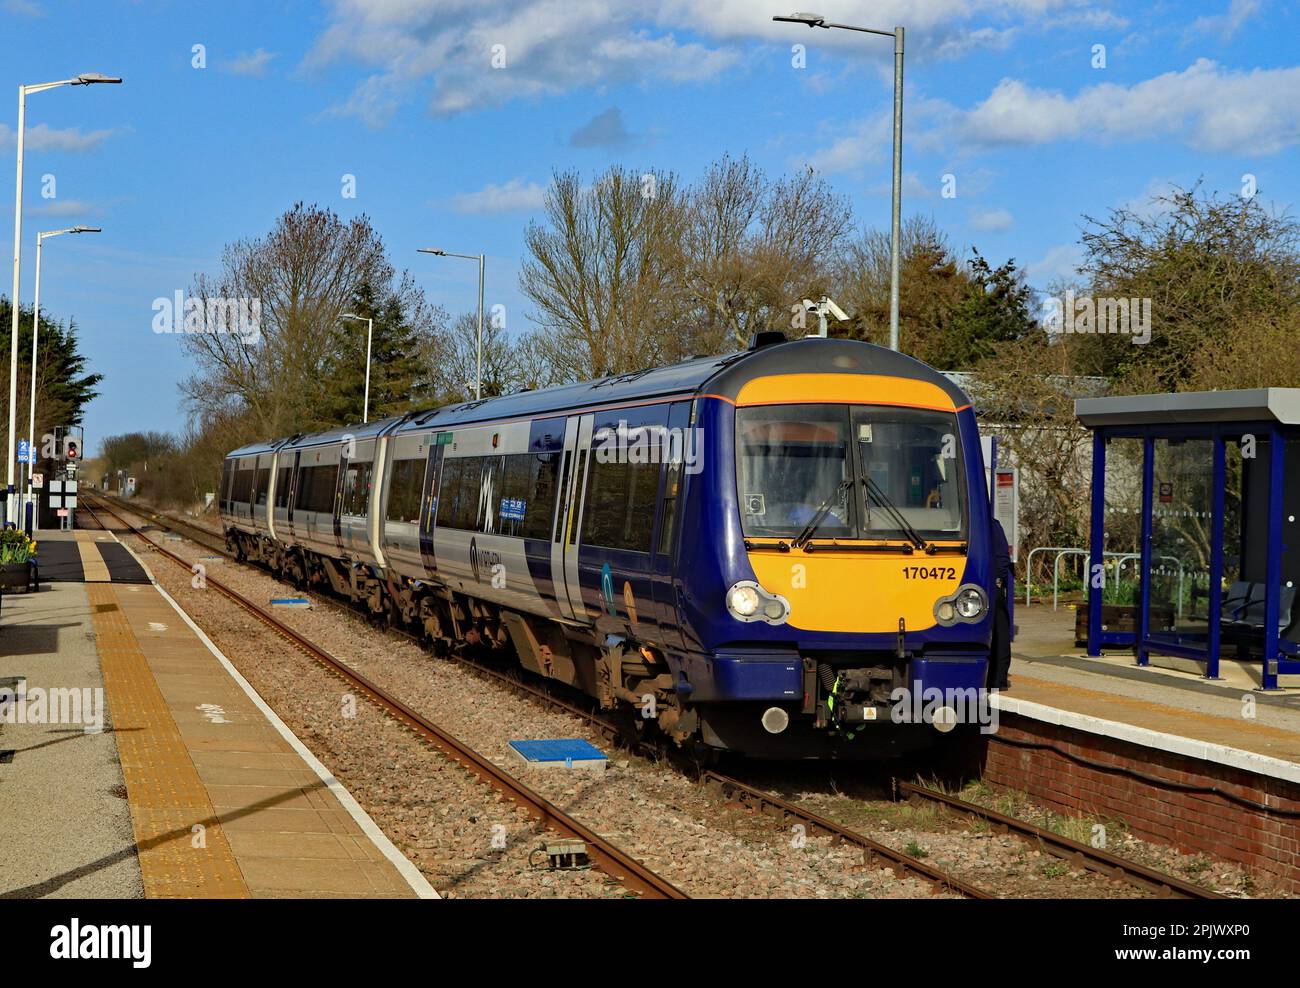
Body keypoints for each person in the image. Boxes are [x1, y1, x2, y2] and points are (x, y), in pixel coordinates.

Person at [988, 518, 1013, 690]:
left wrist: (997, 580)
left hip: (991, 583)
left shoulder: (991, 524)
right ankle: (995, 677)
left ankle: (999, 678)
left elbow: (1002, 556)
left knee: (999, 630)